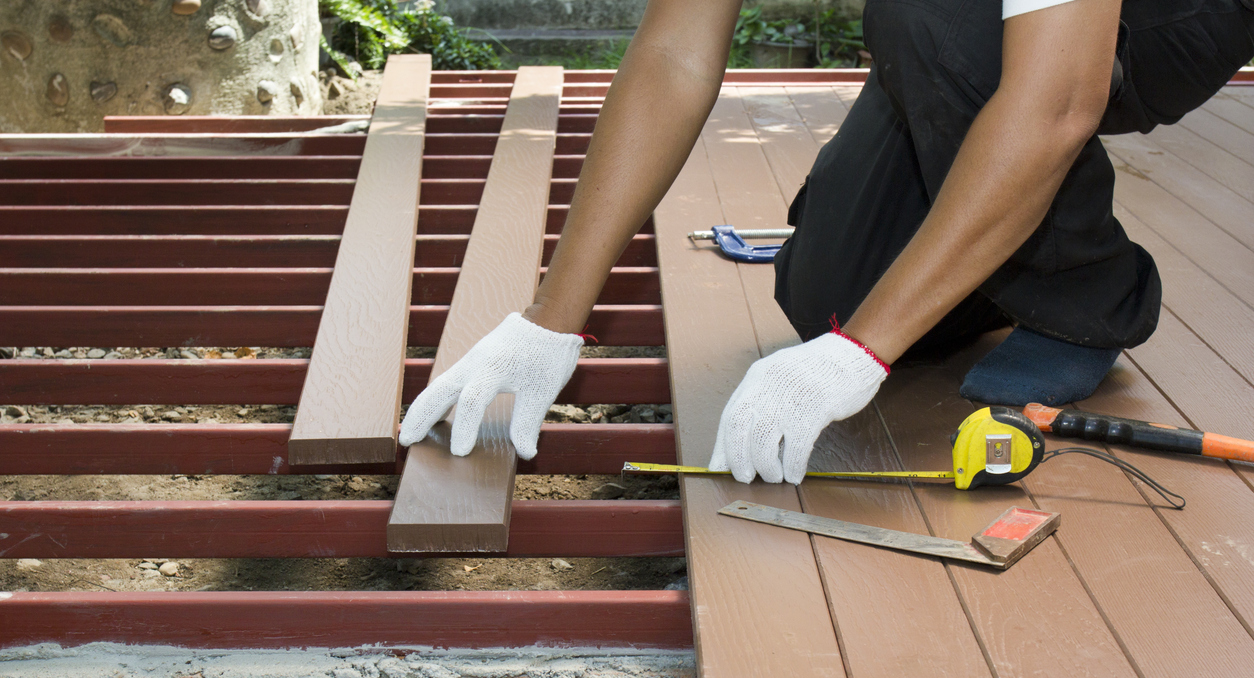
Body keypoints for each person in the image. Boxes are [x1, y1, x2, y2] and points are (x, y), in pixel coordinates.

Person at [399, 0, 1254, 484]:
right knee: (825, 300)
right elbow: (675, 55)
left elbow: (1059, 102)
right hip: (966, 29)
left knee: (927, 19)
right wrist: (551, 318)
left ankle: (1084, 297)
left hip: (1161, 19)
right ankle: (992, 250)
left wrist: (863, 354)